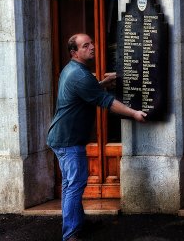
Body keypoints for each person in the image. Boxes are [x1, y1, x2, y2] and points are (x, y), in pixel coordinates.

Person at [47, 33, 147, 241]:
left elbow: (87, 92)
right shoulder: (79, 75)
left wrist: (102, 82)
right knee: (74, 185)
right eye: (86, 45)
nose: (92, 47)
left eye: (91, 43)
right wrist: (134, 113)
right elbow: (106, 102)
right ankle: (71, 234)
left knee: (70, 184)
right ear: (75, 52)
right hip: (68, 141)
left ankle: (76, 223)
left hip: (63, 138)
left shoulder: (74, 70)